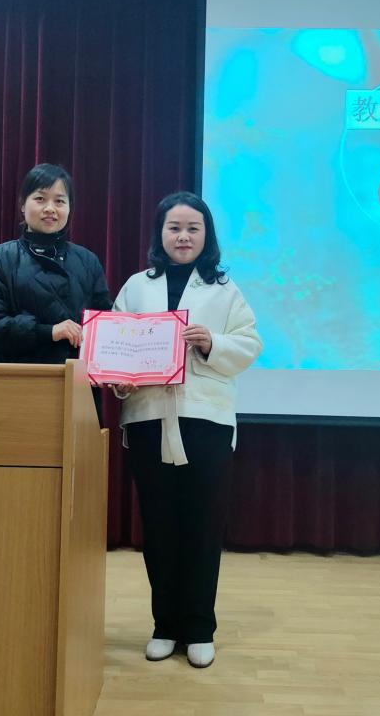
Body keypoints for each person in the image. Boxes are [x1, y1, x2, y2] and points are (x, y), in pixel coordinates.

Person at [111, 191, 262, 669]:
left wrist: (212, 342)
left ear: (206, 235)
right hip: (148, 419)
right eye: (174, 227)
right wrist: (120, 378)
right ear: (160, 233)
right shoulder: (136, 287)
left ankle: (199, 627)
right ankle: (164, 625)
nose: (183, 236)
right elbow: (115, 346)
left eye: (193, 228)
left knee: (202, 526)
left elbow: (249, 343)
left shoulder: (225, 290)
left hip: (206, 422)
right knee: (158, 528)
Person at [0, 163, 112, 370]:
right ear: (23, 205)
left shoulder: (88, 261)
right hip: (16, 379)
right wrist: (49, 332)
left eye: (59, 201)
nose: (50, 208)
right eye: (40, 199)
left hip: (76, 382)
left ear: (69, 208)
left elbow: (104, 326)